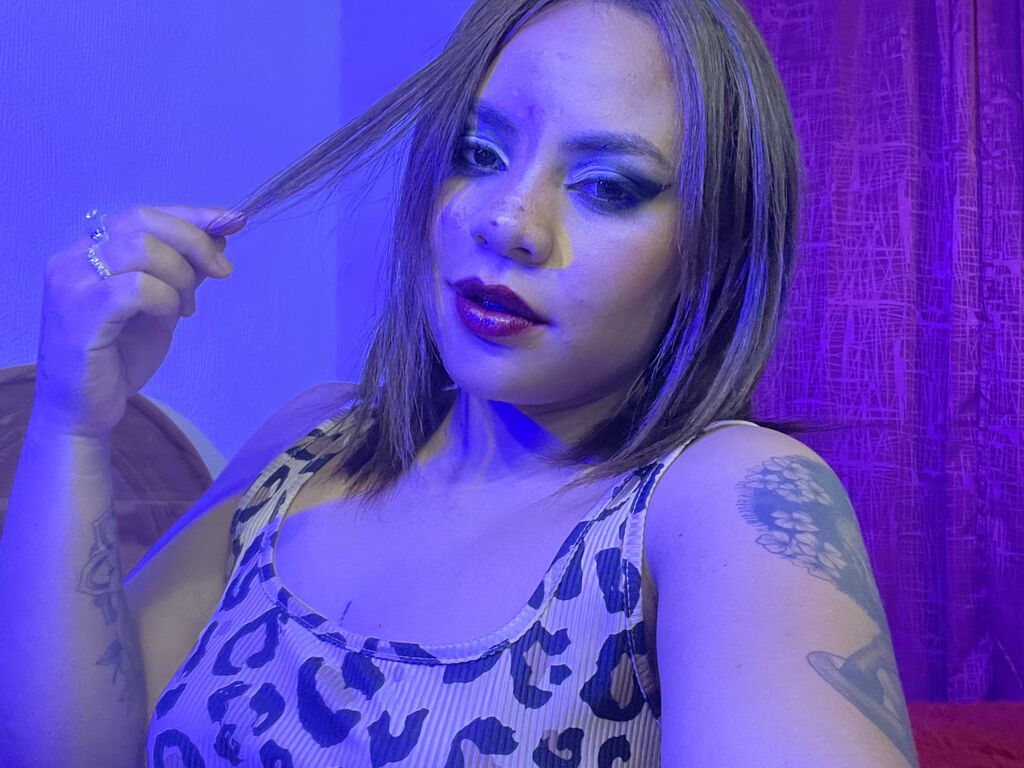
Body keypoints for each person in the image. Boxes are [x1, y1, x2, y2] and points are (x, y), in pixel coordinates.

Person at [1, 0, 920, 766]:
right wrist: (73, 424)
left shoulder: (725, 495)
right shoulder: (311, 440)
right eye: (479, 153)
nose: (509, 221)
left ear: (711, 251)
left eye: (607, 186)